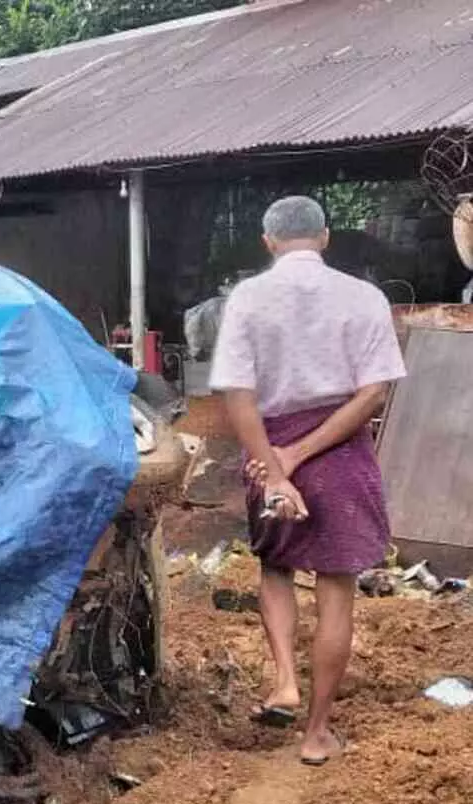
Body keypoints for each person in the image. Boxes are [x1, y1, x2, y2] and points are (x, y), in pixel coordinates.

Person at [209, 195, 405, 766]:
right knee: (336, 590)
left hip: (265, 447)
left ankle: (285, 683)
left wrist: (275, 468)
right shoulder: (364, 297)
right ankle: (317, 734)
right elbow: (374, 393)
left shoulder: (247, 298)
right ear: (324, 238)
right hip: (340, 453)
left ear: (269, 242)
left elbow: (237, 394)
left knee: (276, 566)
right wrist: (299, 455)